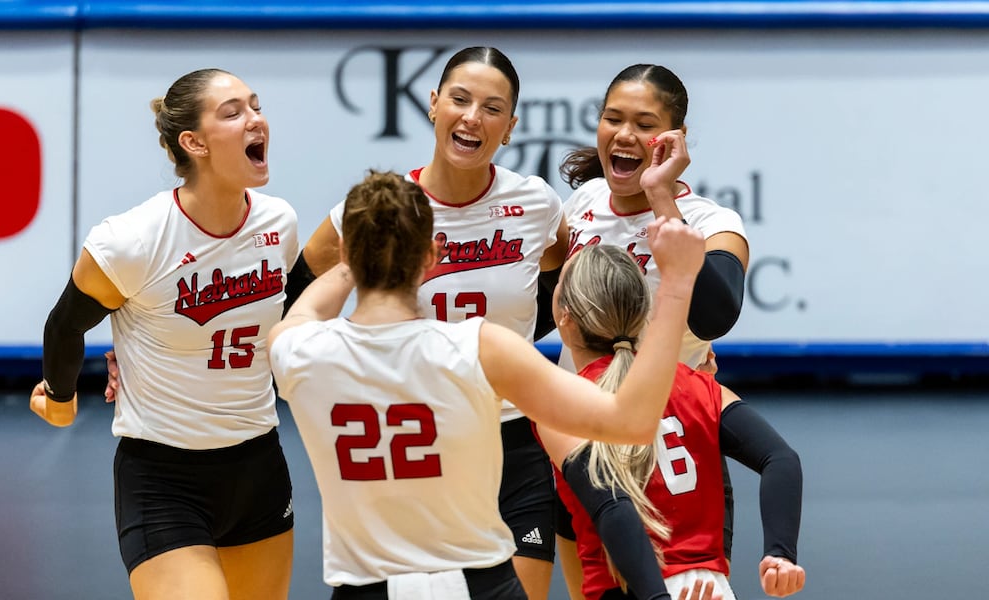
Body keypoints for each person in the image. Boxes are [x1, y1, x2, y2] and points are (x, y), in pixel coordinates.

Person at [268, 168, 706, 599]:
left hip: (365, 588)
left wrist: (355, 261)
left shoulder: (299, 351)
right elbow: (631, 421)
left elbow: (306, 310)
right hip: (479, 584)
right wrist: (678, 284)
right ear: (432, 255)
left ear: (345, 250)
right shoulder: (480, 347)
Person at [296, 46, 570, 599]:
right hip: (419, 440)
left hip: (514, 442)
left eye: (493, 109)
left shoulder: (536, 203)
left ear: (510, 127)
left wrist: (513, 344)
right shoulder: (388, 208)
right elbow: (299, 289)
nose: (473, 118)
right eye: (460, 100)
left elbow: (561, 284)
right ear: (432, 104)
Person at [28, 68, 298, 600]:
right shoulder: (133, 240)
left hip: (259, 466)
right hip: (163, 478)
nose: (256, 119)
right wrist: (60, 398)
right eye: (233, 112)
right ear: (193, 143)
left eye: (256, 105)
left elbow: (290, 317)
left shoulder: (279, 224)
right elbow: (64, 325)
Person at [553, 64, 752, 592]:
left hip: (671, 444)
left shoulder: (712, 222)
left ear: (675, 139)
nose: (624, 134)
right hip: (582, 433)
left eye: (645, 124)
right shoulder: (583, 204)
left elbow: (717, 316)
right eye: (612, 118)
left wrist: (661, 195)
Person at [535, 243, 804, 600]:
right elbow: (781, 459)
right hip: (709, 588)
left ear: (564, 317)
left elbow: (612, 506)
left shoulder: (563, 405)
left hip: (632, 589)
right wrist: (780, 554)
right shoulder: (697, 384)